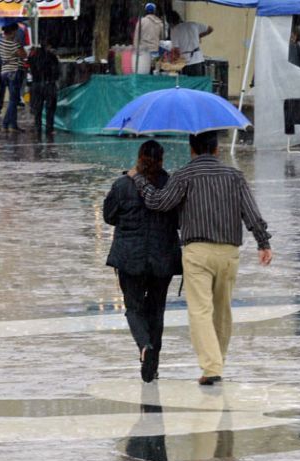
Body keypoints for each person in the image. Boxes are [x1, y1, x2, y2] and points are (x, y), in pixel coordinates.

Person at [127, 131, 272, 385]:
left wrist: (139, 180)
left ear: (191, 149)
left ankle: (211, 366)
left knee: (200, 311)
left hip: (197, 253)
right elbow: (250, 211)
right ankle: (217, 363)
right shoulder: (234, 176)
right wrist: (263, 242)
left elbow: (159, 202)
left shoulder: (184, 176)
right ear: (216, 149)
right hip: (229, 252)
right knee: (222, 310)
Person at [104, 141, 182, 383]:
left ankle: (144, 346)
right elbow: (179, 220)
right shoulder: (171, 185)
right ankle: (153, 365)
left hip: (130, 258)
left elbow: (109, 216)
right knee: (156, 311)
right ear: (162, 159)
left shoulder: (122, 185)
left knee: (134, 308)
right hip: (162, 258)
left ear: (139, 158)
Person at [0, 23, 28, 132]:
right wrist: (20, 46)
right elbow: (24, 55)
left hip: (5, 72)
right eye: (15, 31)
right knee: (13, 100)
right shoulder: (13, 44)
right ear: (12, 32)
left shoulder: (1, 43)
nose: (16, 33)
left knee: (13, 99)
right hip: (14, 72)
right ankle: (6, 124)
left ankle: (13, 125)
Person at [167, 11, 213, 77]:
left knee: (188, 84)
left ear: (170, 23)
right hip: (198, 59)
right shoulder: (193, 24)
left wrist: (173, 62)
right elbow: (210, 29)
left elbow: (176, 50)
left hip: (186, 62)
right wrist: (199, 36)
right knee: (198, 83)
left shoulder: (175, 30)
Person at [28, 41, 60, 134]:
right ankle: (49, 129)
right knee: (50, 108)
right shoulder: (52, 57)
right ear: (48, 46)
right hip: (49, 84)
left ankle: (38, 127)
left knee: (38, 108)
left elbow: (30, 67)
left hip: (36, 84)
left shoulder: (33, 56)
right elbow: (56, 72)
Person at [132, 3, 164, 74]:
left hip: (143, 52)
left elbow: (136, 38)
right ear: (154, 11)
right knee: (154, 72)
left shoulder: (141, 21)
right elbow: (162, 38)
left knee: (144, 73)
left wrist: (136, 50)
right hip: (155, 52)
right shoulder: (159, 23)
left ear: (146, 11)